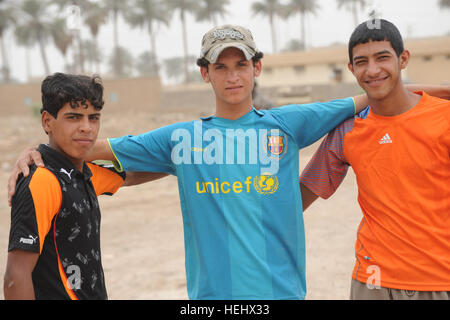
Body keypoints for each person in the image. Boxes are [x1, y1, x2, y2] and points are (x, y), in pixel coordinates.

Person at [6, 25, 446, 300]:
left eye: (241, 64)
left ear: (257, 68)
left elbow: (380, 91)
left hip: (282, 292)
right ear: (205, 73)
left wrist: (440, 91)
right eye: (221, 66)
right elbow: (81, 143)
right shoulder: (180, 139)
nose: (232, 76)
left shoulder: (291, 123)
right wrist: (34, 148)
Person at [300, 19, 450, 300]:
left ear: (403, 59)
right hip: (371, 283)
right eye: (361, 62)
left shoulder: (444, 117)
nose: (372, 70)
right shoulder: (347, 129)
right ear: (351, 69)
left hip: (440, 280)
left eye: (382, 58)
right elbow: (300, 197)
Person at [3, 73, 162, 300]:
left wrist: (181, 163)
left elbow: (130, 176)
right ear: (47, 121)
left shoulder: (85, 173)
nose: (86, 127)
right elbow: (15, 277)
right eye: (74, 117)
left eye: (93, 118)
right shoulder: (42, 180)